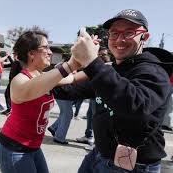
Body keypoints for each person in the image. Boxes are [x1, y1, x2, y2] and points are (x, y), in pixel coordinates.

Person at [59, 9, 172, 173]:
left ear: (144, 37)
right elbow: (69, 91)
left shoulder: (153, 71)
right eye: (114, 33)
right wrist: (66, 67)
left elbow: (135, 104)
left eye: (129, 32)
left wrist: (92, 62)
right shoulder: (113, 69)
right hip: (99, 154)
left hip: (134, 166)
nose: (120, 39)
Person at [0, 30, 78, 173]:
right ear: (31, 53)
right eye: (45, 48)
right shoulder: (20, 80)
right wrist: (73, 63)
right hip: (14, 149)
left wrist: (95, 64)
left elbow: (73, 78)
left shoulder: (43, 76)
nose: (50, 52)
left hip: (33, 147)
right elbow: (33, 86)